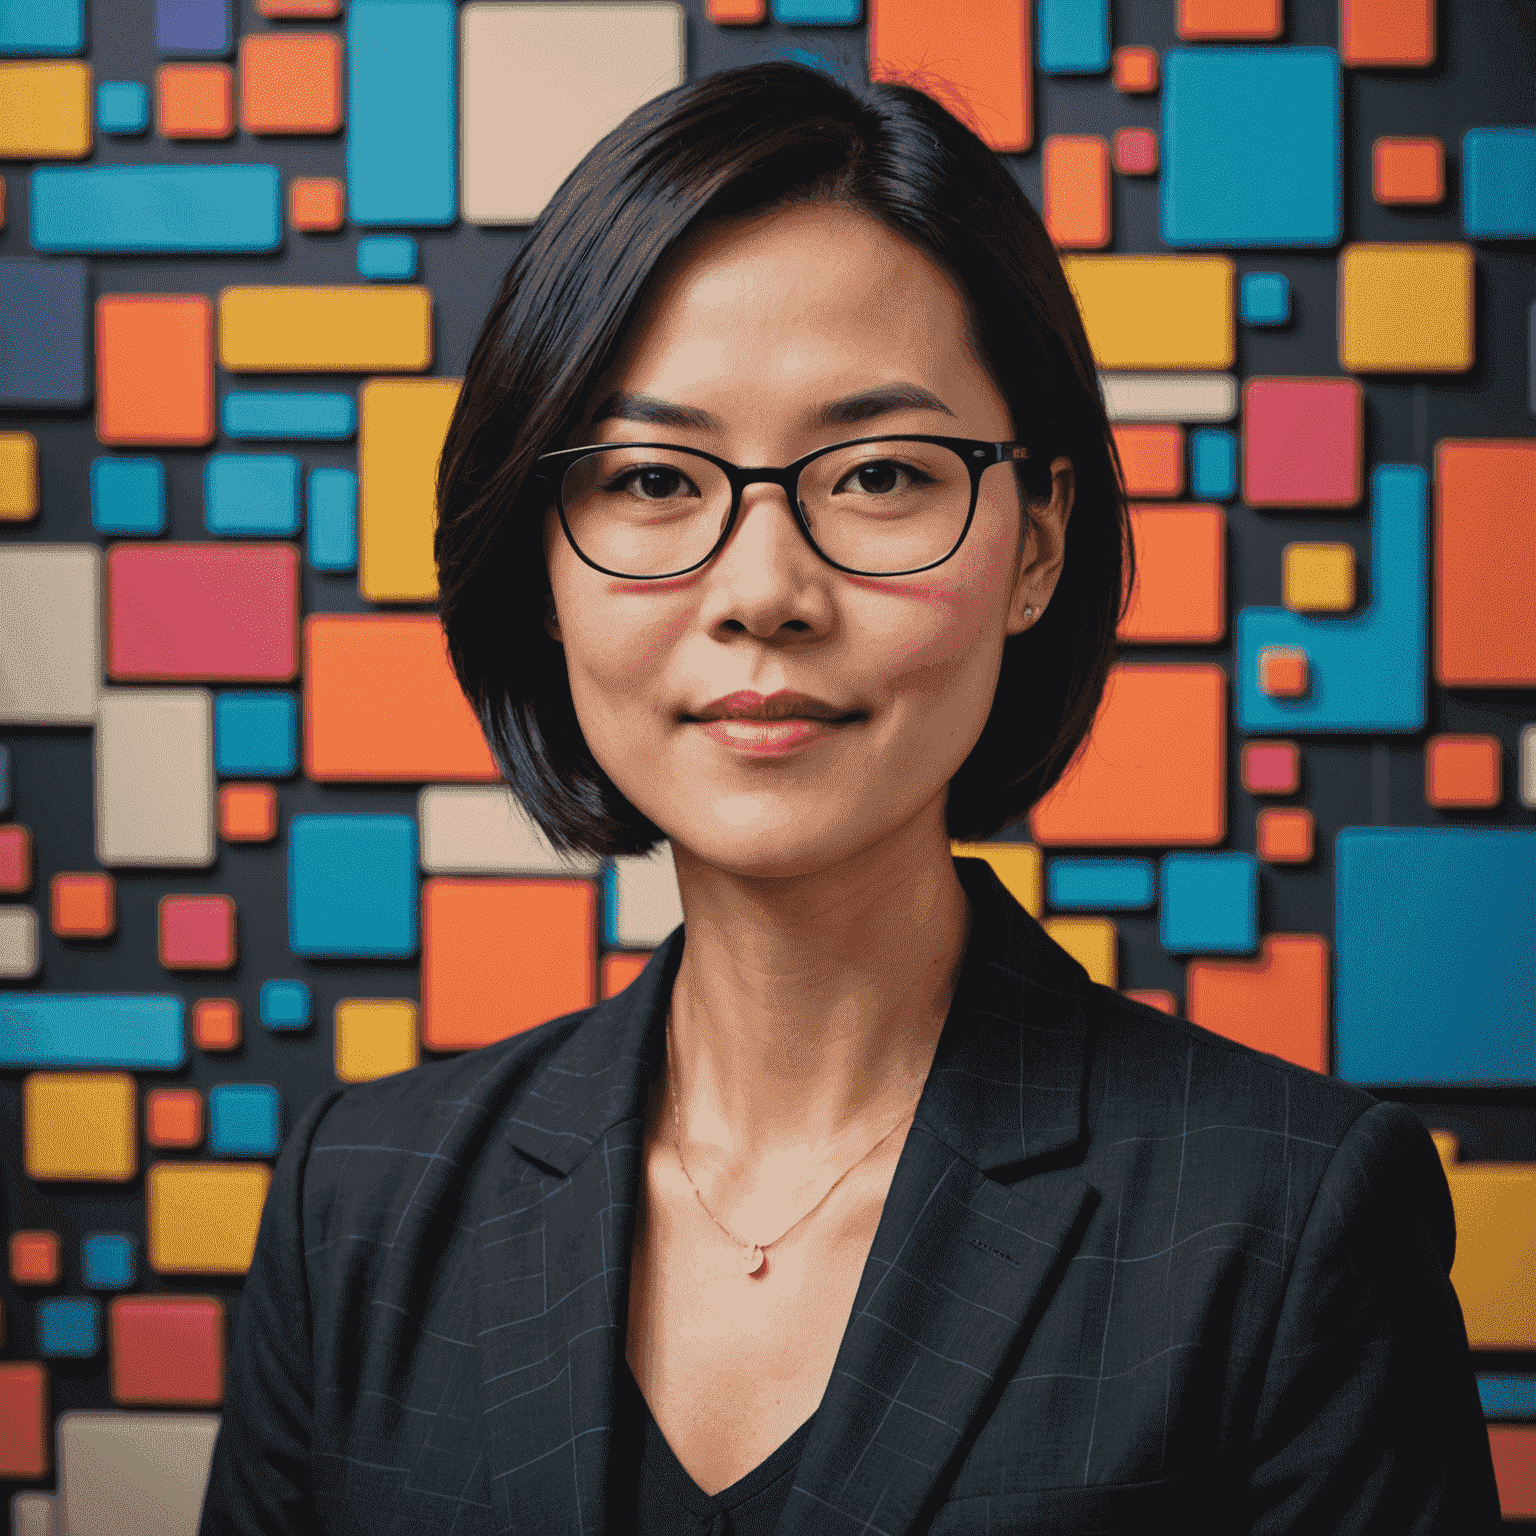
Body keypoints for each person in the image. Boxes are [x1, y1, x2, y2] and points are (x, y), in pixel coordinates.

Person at [197, 60, 1503, 1536]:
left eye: (879, 475)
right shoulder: (357, 1210)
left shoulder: (1287, 1226)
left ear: (1037, 544)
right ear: (542, 562)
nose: (764, 591)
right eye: (653, 480)